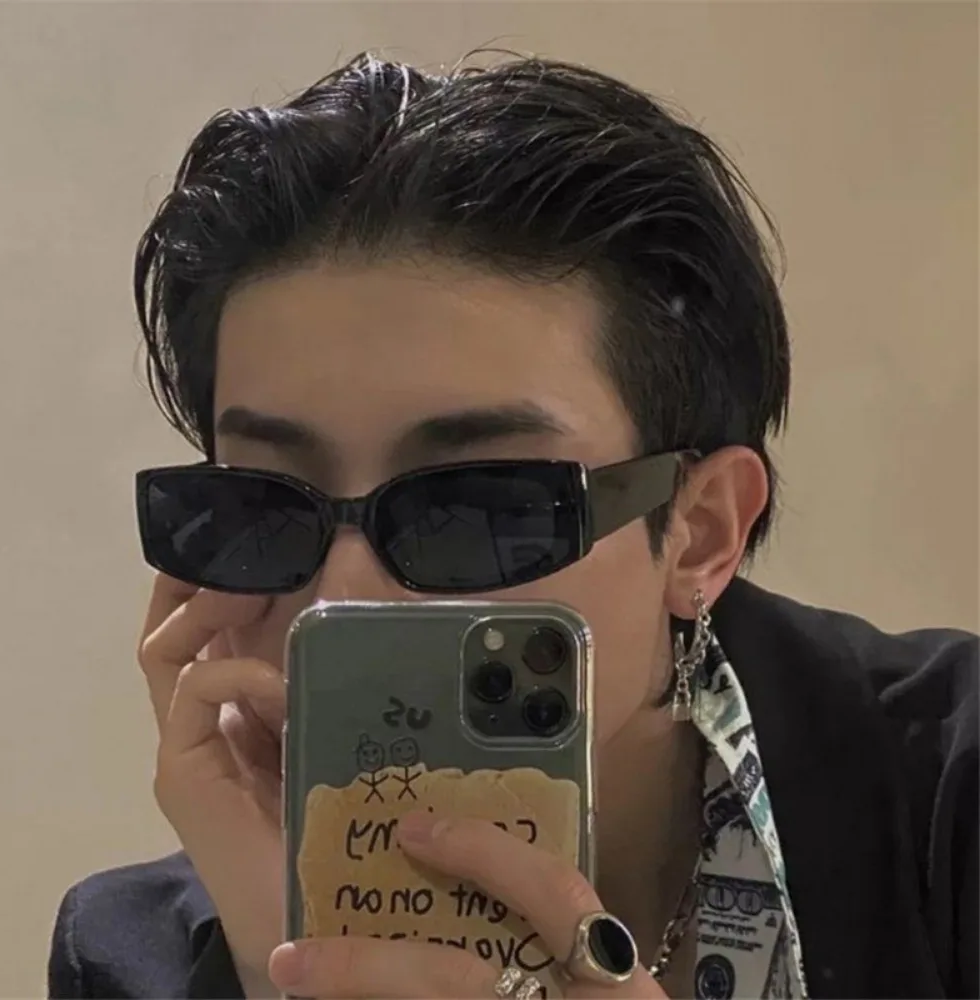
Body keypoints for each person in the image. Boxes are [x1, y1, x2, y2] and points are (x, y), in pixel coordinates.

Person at [48, 53, 977, 1000]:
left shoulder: (953, 799)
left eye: (481, 510)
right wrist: (277, 969)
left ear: (699, 532)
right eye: (266, 506)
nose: (344, 595)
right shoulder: (130, 960)